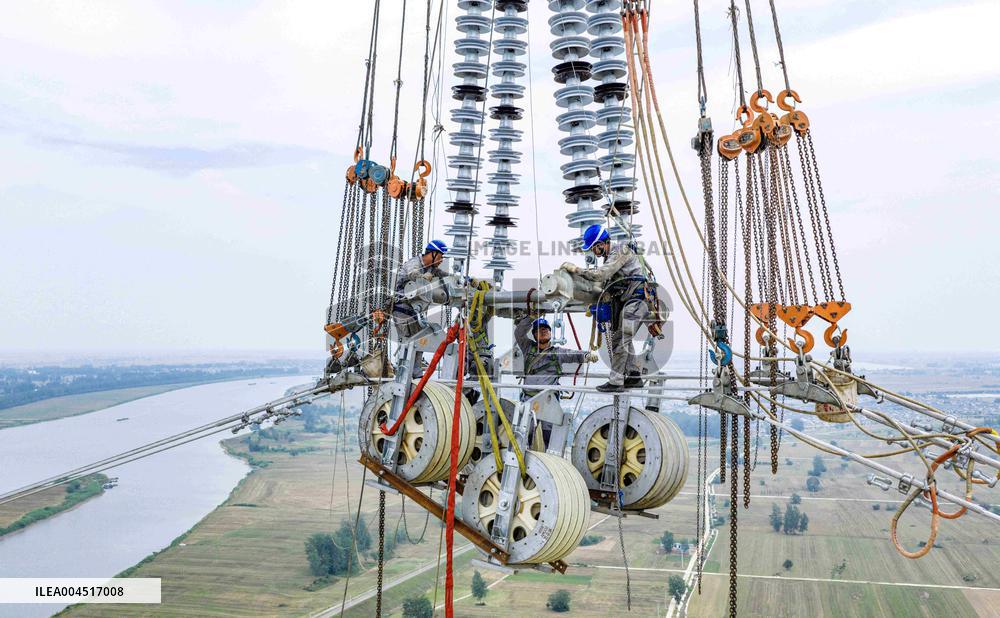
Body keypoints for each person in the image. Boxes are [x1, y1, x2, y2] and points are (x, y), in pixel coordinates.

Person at [562, 224, 652, 393]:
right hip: (630, 301)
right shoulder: (611, 256)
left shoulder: (620, 251)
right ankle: (633, 376)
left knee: (621, 338)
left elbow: (602, 275)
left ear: (601, 244)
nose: (593, 252)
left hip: (637, 300)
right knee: (622, 338)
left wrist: (577, 270)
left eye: (593, 248)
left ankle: (616, 381)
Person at [514, 313, 597, 443]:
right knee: (524, 436)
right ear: (534, 335)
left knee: (549, 438)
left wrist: (586, 356)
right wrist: (531, 317)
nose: (543, 332)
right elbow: (519, 332)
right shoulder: (528, 348)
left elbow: (572, 355)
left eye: (546, 330)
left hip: (548, 401)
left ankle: (548, 461)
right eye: (540, 330)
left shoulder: (557, 353)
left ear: (550, 333)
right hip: (529, 399)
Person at [392, 240, 450, 373]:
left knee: (419, 343)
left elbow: (444, 276)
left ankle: (416, 375)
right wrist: (422, 276)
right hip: (403, 310)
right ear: (433, 254)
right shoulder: (415, 263)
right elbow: (412, 273)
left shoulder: (432, 269)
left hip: (415, 312)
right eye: (440, 257)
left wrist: (464, 280)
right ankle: (405, 373)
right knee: (409, 343)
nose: (441, 260)